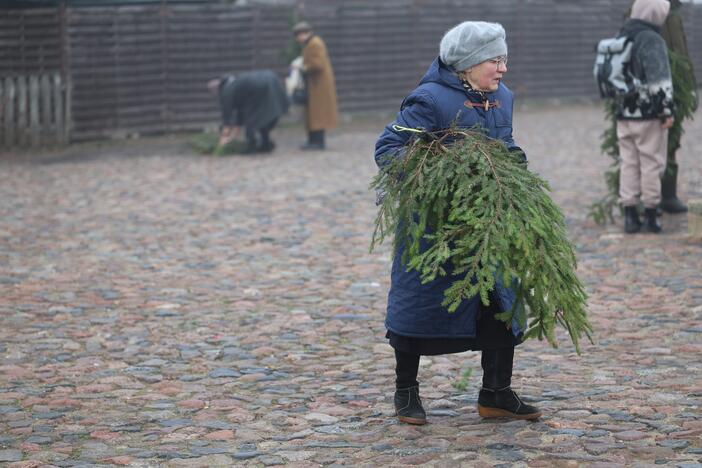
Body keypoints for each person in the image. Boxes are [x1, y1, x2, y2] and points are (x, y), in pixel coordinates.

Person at [374, 21, 541, 425]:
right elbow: (389, 148)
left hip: (486, 222)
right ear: (467, 65)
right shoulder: (430, 99)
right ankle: (406, 393)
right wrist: (441, 171)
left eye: (505, 59)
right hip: (436, 227)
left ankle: (496, 394)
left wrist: (513, 162)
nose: (502, 68)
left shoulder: (502, 97)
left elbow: (504, 144)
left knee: (499, 304)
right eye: (494, 60)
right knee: (419, 306)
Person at [617, 0, 673, 234]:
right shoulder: (652, 39)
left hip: (624, 113)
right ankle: (651, 215)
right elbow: (659, 80)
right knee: (651, 163)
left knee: (628, 162)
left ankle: (630, 217)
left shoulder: (622, 36)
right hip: (648, 114)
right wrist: (667, 110)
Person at [659, 0, 697, 213]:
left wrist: (688, 82)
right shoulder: (654, 10)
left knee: (672, 141)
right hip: (661, 84)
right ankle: (651, 197)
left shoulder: (674, 13)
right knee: (653, 144)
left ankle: (668, 194)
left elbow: (681, 51)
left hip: (677, 86)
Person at [207, 70, 288, 154]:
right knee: (261, 119)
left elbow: (227, 118)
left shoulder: (226, 91)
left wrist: (223, 138)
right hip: (271, 80)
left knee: (251, 121)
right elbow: (240, 113)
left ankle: (251, 147)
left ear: (216, 90)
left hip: (261, 87)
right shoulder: (234, 84)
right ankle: (265, 144)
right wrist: (234, 135)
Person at [292, 21, 338, 150]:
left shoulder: (314, 43)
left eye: (300, 34)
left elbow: (318, 64)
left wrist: (302, 67)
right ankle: (313, 140)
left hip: (318, 85)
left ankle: (317, 142)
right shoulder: (311, 43)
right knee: (313, 114)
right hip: (315, 84)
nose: (299, 38)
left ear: (306, 33)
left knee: (318, 114)